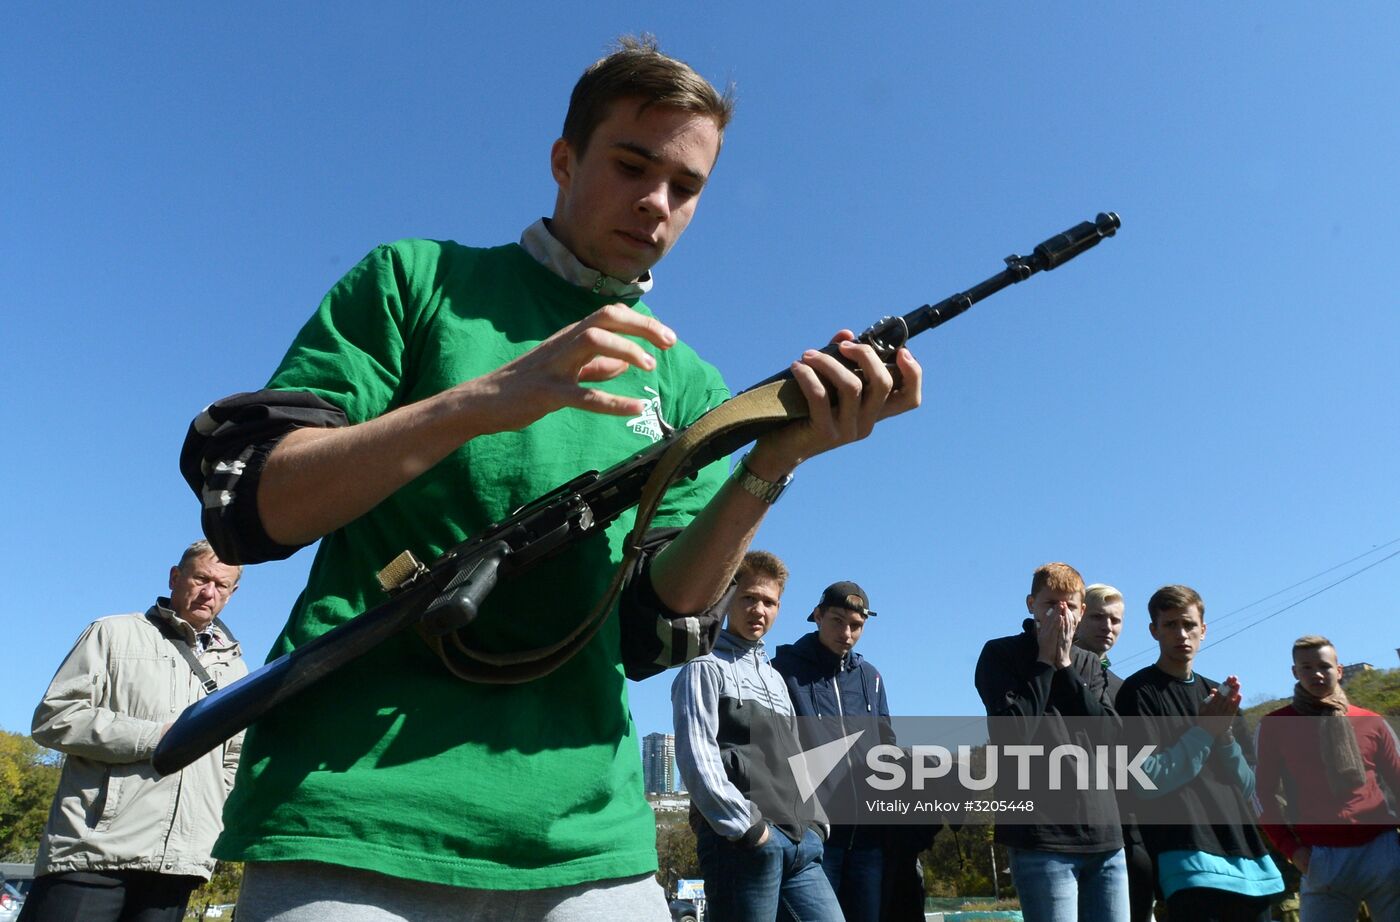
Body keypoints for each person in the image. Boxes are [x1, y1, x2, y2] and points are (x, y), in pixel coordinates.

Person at [178, 36, 922, 919]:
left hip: (589, 840)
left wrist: (774, 461)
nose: (657, 203)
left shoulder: (691, 386)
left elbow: (655, 626)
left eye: (687, 189)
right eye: (632, 165)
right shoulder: (416, 280)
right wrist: (484, 399)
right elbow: (258, 503)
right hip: (352, 819)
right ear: (564, 159)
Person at [20, 540, 246, 922]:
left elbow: (234, 761)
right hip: (92, 853)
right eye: (201, 578)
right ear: (176, 577)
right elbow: (54, 718)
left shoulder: (237, 669)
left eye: (221, 585)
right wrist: (156, 738)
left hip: (179, 864)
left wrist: (212, 826)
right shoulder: (112, 633)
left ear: (232, 593)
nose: (209, 592)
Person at [672, 551, 841, 922]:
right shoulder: (703, 668)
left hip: (800, 842)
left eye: (769, 601)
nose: (758, 609)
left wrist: (816, 825)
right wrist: (747, 830)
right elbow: (697, 757)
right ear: (728, 596)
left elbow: (796, 755)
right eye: (749, 597)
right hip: (743, 843)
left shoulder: (776, 679)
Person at [1116, 584, 1283, 922]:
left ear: (1203, 630)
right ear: (1154, 631)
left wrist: (1223, 738)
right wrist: (1204, 732)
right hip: (1188, 864)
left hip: (1251, 866)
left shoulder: (1219, 698)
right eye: (1170, 625)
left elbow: (1248, 787)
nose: (1182, 634)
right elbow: (1145, 779)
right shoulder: (1138, 693)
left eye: (1189, 625)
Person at [973, 563, 1128, 922]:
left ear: (1082, 610)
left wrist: (1065, 667)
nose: (1061, 614)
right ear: (1031, 604)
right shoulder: (1000, 654)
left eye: (1071, 607)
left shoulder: (1089, 663)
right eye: (1050, 604)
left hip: (1105, 837)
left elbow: (1111, 736)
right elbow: (1012, 733)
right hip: (1040, 838)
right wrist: (1045, 662)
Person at [1255, 635, 1400, 921]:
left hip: (1382, 848)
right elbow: (1261, 794)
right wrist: (1291, 850)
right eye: (1306, 667)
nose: (1316, 674)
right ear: (1295, 673)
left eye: (1324, 666)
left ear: (1340, 670)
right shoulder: (1274, 726)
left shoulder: (1372, 722)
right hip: (1321, 857)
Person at [772, 580, 893, 922]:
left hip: (868, 839)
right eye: (838, 621)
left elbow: (886, 745)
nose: (847, 633)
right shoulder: (782, 671)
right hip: (813, 839)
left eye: (856, 626)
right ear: (817, 616)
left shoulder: (871, 678)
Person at [1073, 583, 1152, 922]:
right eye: (1097, 617)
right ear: (1076, 617)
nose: (1107, 627)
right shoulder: (1047, 673)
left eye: (1116, 620)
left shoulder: (1126, 688)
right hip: (1069, 825)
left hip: (1127, 825)